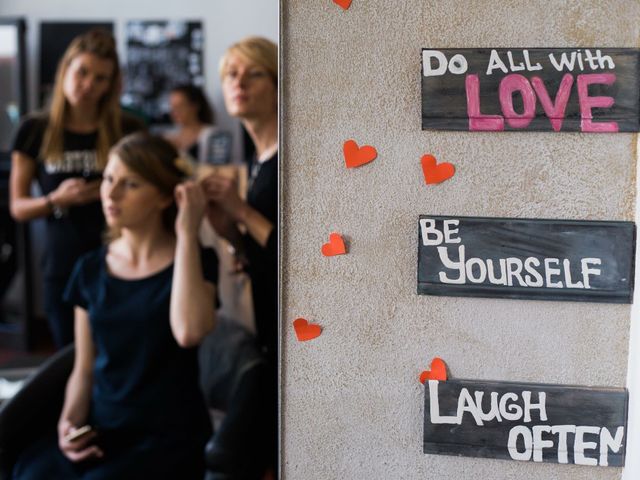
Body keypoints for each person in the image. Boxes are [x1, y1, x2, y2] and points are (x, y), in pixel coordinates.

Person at [12, 132, 218, 480]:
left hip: (167, 437)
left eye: (131, 184)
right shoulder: (90, 268)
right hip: (104, 426)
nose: (110, 192)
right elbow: (84, 367)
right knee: (27, 472)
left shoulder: (197, 261)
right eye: (109, 178)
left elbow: (189, 331)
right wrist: (69, 422)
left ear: (165, 197)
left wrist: (187, 232)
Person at [9, 29, 143, 348]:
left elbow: (149, 189)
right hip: (62, 264)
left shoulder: (127, 128)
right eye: (82, 72)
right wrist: (57, 199)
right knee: (70, 360)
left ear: (111, 85)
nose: (88, 85)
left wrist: (109, 189)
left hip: (119, 259)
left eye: (100, 78)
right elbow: (18, 206)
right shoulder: (34, 129)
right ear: (65, 69)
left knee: (119, 357)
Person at [201, 36, 278, 477]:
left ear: (276, 83)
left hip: (289, 321)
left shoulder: (289, 157)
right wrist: (228, 229)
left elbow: (298, 256)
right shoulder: (257, 157)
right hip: (267, 315)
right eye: (231, 74)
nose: (239, 83)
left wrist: (241, 209)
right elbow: (260, 245)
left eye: (254, 73)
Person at [165, 84, 233, 165]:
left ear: (195, 106)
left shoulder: (216, 135)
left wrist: (181, 153)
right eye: (172, 107)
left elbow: (216, 171)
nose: (175, 112)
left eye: (180, 106)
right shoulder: (170, 136)